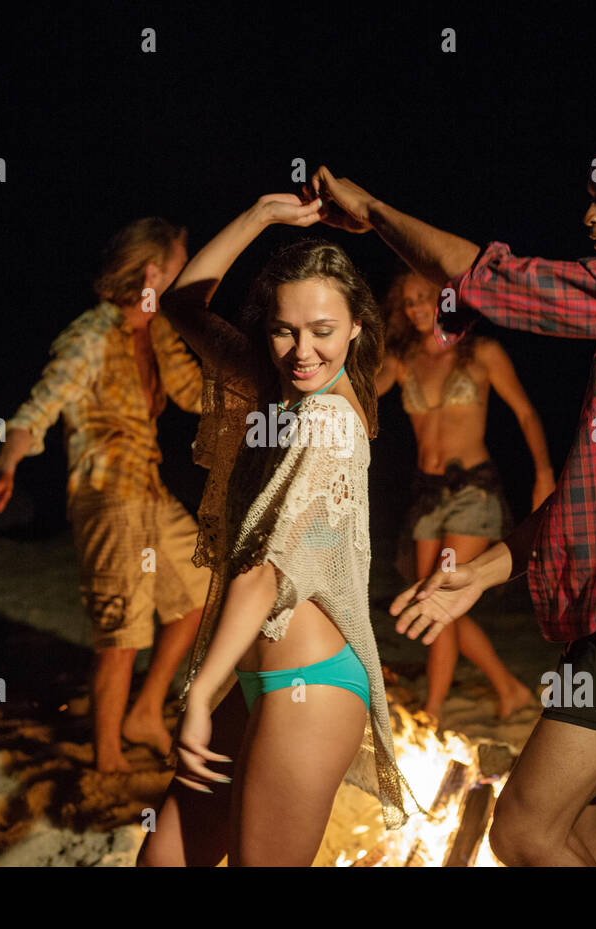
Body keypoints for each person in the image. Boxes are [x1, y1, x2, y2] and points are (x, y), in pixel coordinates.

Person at [315, 119, 596, 866]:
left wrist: (376, 214)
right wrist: (481, 574)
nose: (588, 217)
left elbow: (504, 284)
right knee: (572, 825)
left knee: (520, 829)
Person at [136, 193, 417, 866]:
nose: (302, 350)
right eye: (284, 330)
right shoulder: (273, 389)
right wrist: (259, 217)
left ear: (356, 326)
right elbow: (179, 306)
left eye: (322, 329)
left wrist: (200, 691)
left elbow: (267, 570)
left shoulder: (330, 423)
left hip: (313, 688)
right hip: (262, 679)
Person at [0, 217, 210, 774]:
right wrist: (5, 465)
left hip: (148, 488)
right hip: (107, 496)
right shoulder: (90, 336)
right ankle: (107, 761)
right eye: (178, 263)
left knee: (198, 592)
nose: (185, 272)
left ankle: (145, 712)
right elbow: (39, 408)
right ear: (152, 270)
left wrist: (273, 392)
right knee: (122, 630)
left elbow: (195, 394)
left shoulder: (160, 329)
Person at [377, 269, 555, 720]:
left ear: (447, 300)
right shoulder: (404, 359)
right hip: (427, 493)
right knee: (431, 600)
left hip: (473, 492)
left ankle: (433, 711)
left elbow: (528, 413)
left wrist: (543, 475)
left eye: (425, 298)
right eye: (409, 300)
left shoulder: (482, 351)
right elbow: (361, 390)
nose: (417, 308)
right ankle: (509, 688)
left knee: (438, 600)